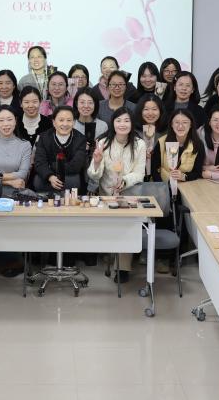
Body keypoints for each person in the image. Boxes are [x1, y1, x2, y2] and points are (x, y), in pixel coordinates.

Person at [87, 107, 147, 282]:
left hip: (129, 194)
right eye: (118, 120)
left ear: (132, 123)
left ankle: (122, 267)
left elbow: (140, 173)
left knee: (126, 224)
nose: (122, 124)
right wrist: (96, 162)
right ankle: (110, 254)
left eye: (126, 120)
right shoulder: (103, 142)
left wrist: (126, 181)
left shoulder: (139, 144)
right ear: (112, 123)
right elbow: (94, 175)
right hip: (106, 195)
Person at [0, 107, 32, 277]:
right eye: (1, 120)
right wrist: (8, 180)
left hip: (17, 192)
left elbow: (22, 174)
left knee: (15, 222)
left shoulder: (24, 145)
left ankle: (12, 259)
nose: (6, 124)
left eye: (9, 119)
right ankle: (2, 259)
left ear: (16, 121)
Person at [33, 106, 88, 193]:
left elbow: (76, 166)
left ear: (74, 122)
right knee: (38, 180)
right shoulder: (44, 137)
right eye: (61, 120)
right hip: (49, 178)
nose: (65, 124)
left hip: (70, 177)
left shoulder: (80, 139)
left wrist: (52, 165)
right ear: (54, 122)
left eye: (69, 120)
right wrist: (50, 177)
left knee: (74, 180)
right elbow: (39, 162)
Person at [151, 109, 205, 184]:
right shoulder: (162, 142)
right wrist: (162, 186)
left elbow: (197, 172)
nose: (180, 126)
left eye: (185, 122)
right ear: (172, 124)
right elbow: (154, 169)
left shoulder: (198, 144)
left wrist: (183, 176)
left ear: (191, 125)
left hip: (186, 186)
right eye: (176, 122)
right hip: (163, 185)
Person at [133, 94, 164, 179]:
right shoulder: (133, 132)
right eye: (146, 109)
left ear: (160, 111)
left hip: (160, 178)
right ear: (140, 111)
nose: (150, 113)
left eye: (154, 109)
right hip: (136, 177)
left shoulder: (165, 132)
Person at [73, 88, 108, 155]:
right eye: (82, 102)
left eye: (90, 102)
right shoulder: (71, 125)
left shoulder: (103, 126)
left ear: (95, 104)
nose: (86, 106)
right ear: (76, 104)